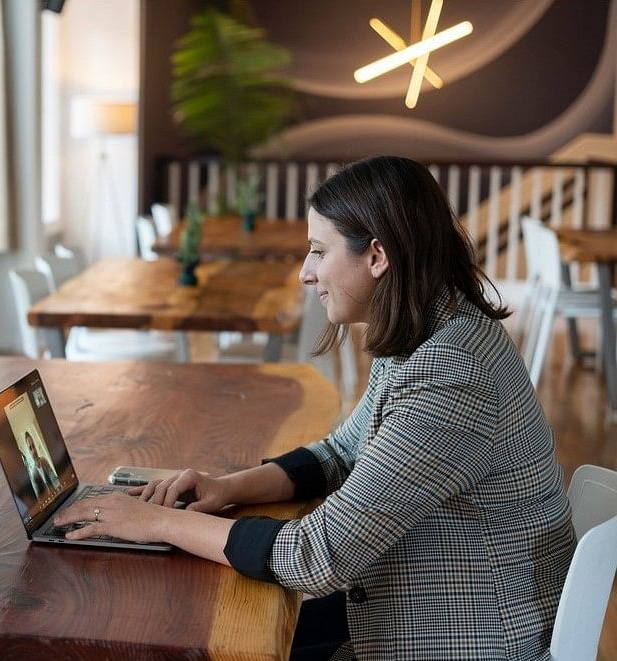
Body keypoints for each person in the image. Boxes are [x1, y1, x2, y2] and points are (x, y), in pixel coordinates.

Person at [53, 156, 576, 660]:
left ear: (376, 256)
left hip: (469, 638)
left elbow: (316, 556)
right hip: (420, 610)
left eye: (319, 252)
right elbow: (339, 454)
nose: (305, 272)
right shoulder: (430, 331)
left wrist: (155, 524)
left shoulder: (454, 371)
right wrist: (227, 486)